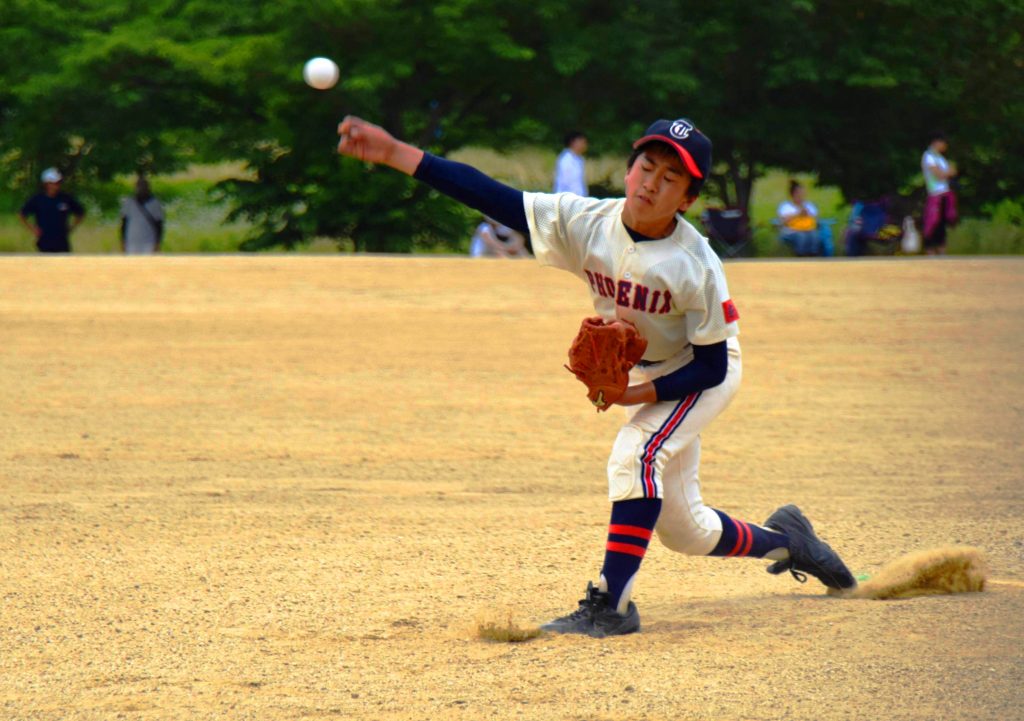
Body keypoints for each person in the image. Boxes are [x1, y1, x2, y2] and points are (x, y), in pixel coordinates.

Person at [336, 114, 856, 638]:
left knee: (636, 456)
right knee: (685, 530)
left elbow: (712, 365)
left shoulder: (694, 263)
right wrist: (396, 153)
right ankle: (791, 542)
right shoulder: (585, 221)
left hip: (700, 372)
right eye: (646, 166)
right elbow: (492, 197)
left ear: (687, 199)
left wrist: (634, 391)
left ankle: (613, 605)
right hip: (654, 371)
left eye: (670, 178)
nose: (651, 183)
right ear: (629, 170)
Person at [18, 168, 85, 253]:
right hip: (44, 242)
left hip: (62, 243)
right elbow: (22, 214)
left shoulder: (65, 198)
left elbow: (80, 213)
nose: (57, 186)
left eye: (58, 183)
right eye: (54, 183)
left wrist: (71, 227)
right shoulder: (38, 199)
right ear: (47, 184)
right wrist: (33, 229)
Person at [921, 133, 958, 255]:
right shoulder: (929, 156)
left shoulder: (940, 158)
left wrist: (947, 172)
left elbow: (951, 171)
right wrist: (948, 172)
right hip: (935, 193)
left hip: (944, 193)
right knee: (933, 222)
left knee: (942, 223)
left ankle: (941, 248)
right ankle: (930, 249)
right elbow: (939, 174)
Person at [776, 180, 833, 257]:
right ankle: (801, 256)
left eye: (802, 194)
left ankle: (813, 256)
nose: (801, 196)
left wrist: (808, 214)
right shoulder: (786, 206)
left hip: (808, 228)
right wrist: (798, 214)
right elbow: (783, 221)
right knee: (801, 236)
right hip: (791, 230)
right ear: (793, 195)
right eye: (799, 194)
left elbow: (816, 219)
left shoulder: (809, 205)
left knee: (814, 235)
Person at [120, 177, 165, 254]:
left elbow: (159, 225)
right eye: (139, 186)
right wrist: (123, 241)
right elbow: (124, 223)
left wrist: (157, 243)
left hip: (149, 241)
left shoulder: (155, 203)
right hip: (131, 241)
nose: (141, 189)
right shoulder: (129, 202)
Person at [553, 131, 588, 196]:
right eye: (582, 142)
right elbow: (567, 182)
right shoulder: (566, 159)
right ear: (573, 142)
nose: (584, 145)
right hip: (567, 200)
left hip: (578, 199)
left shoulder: (579, 159)